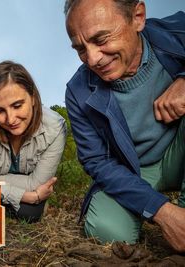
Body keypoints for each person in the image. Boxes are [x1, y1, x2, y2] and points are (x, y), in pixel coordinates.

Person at [64, 0, 185, 251]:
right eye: (80, 48)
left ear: (137, 17)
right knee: (106, 230)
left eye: (101, 39)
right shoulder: (77, 91)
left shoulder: (178, 30)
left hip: (179, 153)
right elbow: (97, 162)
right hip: (133, 172)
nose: (92, 59)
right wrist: (162, 211)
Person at [0, 61, 66, 223]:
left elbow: (37, 182)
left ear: (34, 98)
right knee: (27, 207)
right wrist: (31, 196)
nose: (10, 119)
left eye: (17, 105)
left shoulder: (55, 127)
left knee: (30, 213)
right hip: (26, 194)